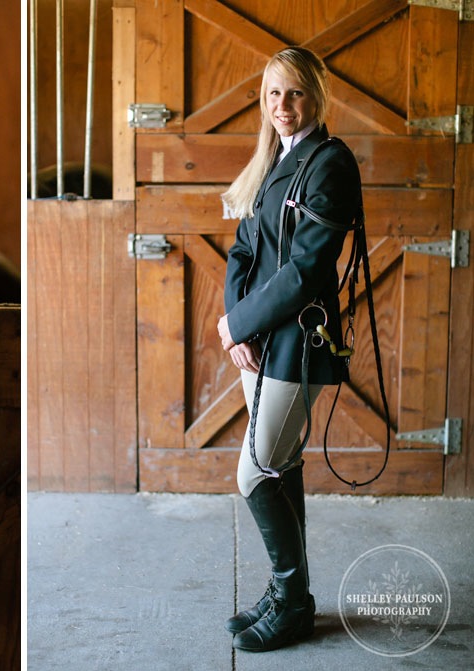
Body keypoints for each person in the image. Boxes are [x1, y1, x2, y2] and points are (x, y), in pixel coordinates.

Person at [217, 47, 362, 652]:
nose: (283, 106)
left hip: (296, 344)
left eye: (295, 93)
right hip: (259, 343)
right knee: (283, 470)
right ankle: (289, 595)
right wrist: (237, 323)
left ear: (317, 97)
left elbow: (304, 271)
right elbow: (242, 253)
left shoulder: (330, 163)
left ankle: (292, 600)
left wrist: (239, 324)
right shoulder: (271, 161)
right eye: (273, 94)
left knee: (255, 474)